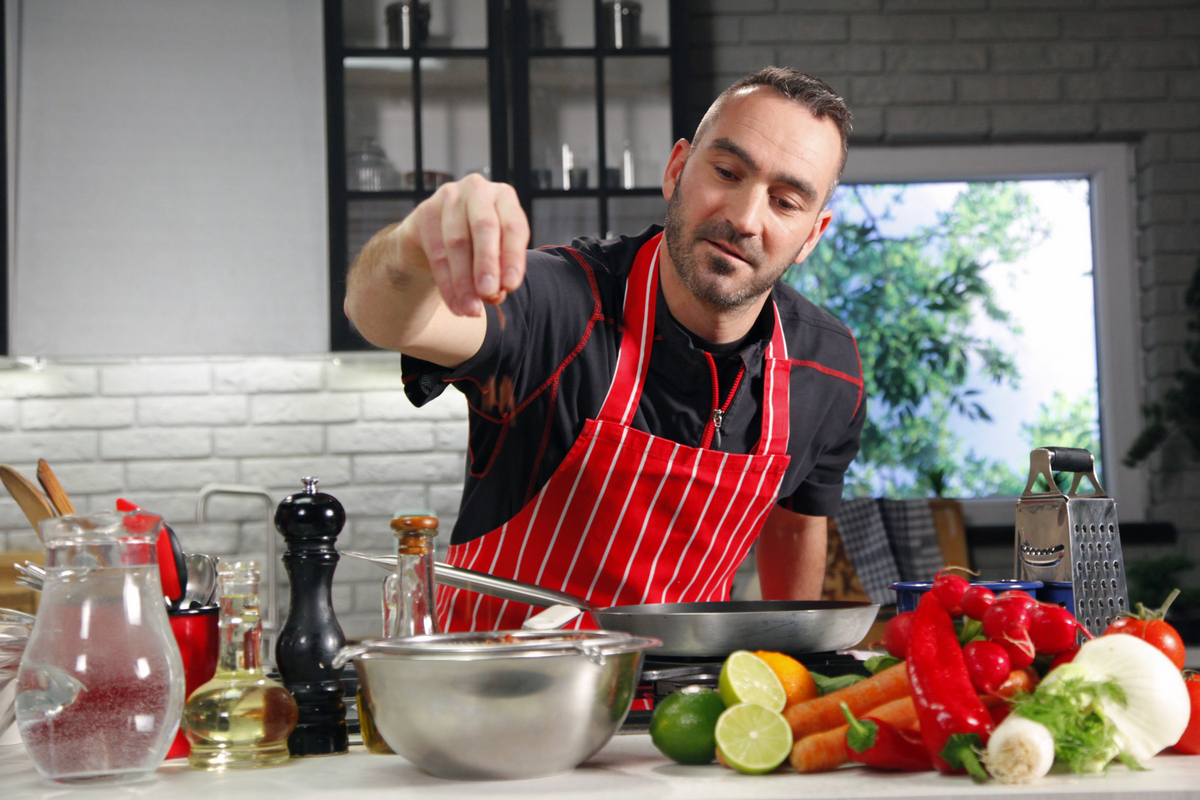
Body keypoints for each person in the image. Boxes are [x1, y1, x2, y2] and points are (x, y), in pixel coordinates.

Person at [345, 66, 865, 632]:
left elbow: (794, 522)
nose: (744, 218)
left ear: (812, 235)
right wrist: (414, 246)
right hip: (495, 678)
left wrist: (786, 661)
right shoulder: (557, 304)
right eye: (726, 172)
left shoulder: (828, 369)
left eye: (785, 202)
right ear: (677, 170)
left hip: (681, 687)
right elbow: (382, 316)